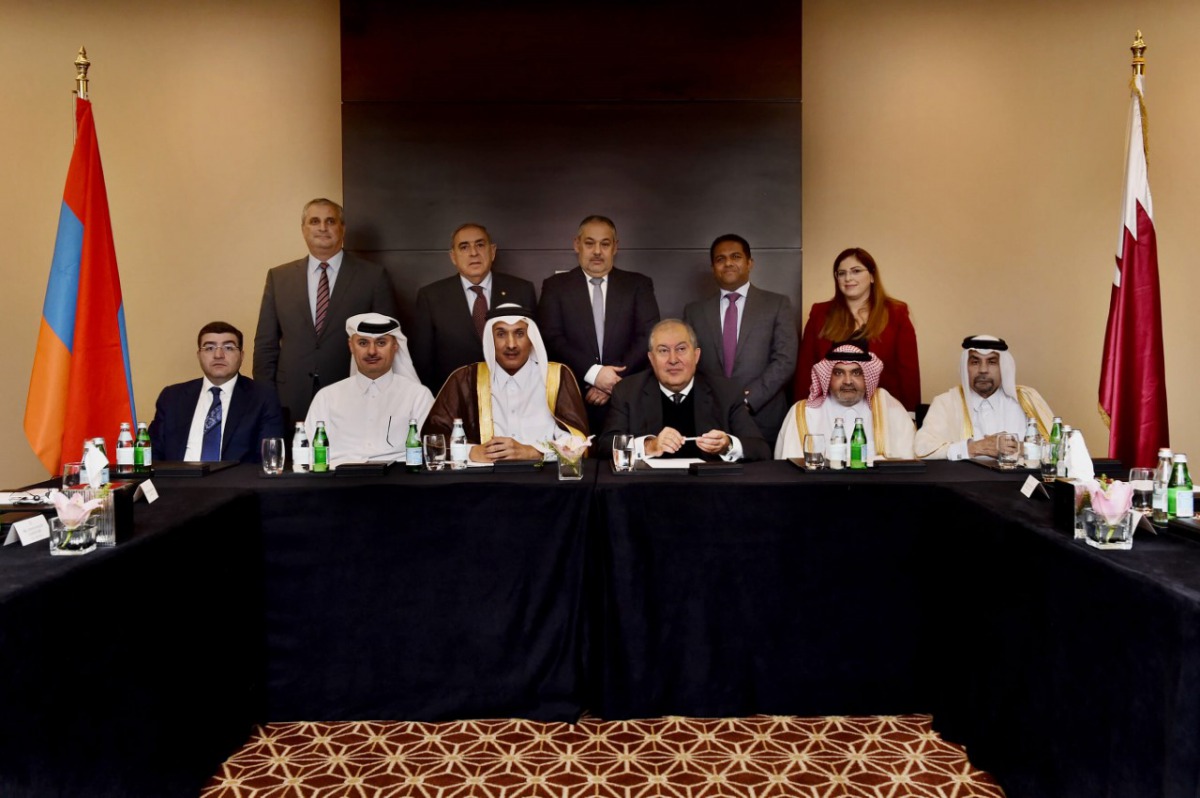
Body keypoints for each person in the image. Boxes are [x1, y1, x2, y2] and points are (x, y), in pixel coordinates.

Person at [254, 198, 399, 426]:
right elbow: (266, 344)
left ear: (343, 229)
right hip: (290, 397)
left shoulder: (372, 276)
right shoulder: (279, 277)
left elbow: (386, 343)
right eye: (314, 221)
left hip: (353, 394)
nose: (322, 228)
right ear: (303, 229)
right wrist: (266, 397)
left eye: (330, 221)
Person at [538, 215, 660, 435]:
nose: (597, 251)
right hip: (573, 399)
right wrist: (594, 374)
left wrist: (612, 381)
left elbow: (649, 337)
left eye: (605, 244)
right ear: (577, 244)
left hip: (627, 399)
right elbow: (551, 338)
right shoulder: (555, 287)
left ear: (615, 247)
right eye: (589, 243)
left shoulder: (638, 285)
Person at [422, 305, 588, 462]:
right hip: (484, 479)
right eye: (501, 334)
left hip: (544, 478)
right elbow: (432, 440)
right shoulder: (464, 379)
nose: (511, 344)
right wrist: (471, 451)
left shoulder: (556, 376)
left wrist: (533, 452)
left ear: (531, 339)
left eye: (519, 333)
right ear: (490, 340)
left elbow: (578, 442)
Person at [599, 319, 770, 462]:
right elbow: (606, 446)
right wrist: (649, 446)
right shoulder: (628, 391)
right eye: (663, 351)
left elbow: (760, 449)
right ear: (651, 359)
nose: (673, 360)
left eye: (681, 349)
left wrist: (727, 445)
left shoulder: (726, 391)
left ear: (696, 355)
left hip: (709, 487)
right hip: (648, 487)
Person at [684, 234, 797, 447]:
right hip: (711, 418)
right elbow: (689, 363)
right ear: (713, 268)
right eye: (720, 259)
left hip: (762, 415)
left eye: (735, 256)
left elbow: (785, 360)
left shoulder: (777, 304)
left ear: (749, 263)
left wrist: (749, 399)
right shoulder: (694, 312)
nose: (728, 263)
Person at [411, 223, 538, 393]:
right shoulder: (431, 297)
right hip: (455, 396)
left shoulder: (521, 290)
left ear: (492, 251)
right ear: (453, 257)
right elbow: (423, 361)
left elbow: (534, 350)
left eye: (480, 245)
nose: (473, 253)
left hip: (512, 394)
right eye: (464, 247)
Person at [793, 247, 921, 411]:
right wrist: (801, 410)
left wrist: (910, 414)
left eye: (856, 271)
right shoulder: (820, 312)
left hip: (882, 409)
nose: (848, 278)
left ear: (872, 276)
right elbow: (805, 370)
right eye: (842, 273)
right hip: (828, 410)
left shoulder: (896, 313)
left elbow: (908, 372)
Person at [304, 313, 434, 468]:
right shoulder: (327, 397)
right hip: (339, 479)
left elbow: (430, 451)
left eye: (381, 343)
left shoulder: (418, 396)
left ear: (395, 346)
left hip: (399, 478)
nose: (372, 351)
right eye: (363, 343)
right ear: (351, 346)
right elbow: (309, 454)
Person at [149, 322, 285, 462]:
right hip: (177, 475)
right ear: (199, 355)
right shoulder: (172, 397)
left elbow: (269, 459)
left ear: (241, 355)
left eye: (228, 348)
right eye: (209, 348)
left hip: (237, 476)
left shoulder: (263, 397)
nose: (218, 355)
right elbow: (151, 453)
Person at [914, 335, 1054, 460]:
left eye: (992, 362)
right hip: (963, 481)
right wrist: (974, 448)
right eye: (975, 362)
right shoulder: (945, 402)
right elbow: (921, 450)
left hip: (1018, 481)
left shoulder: (1026, 399)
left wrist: (1021, 449)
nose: (983, 370)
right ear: (965, 367)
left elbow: (1059, 449)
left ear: (1003, 367)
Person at [775, 341, 915, 460]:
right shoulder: (804, 414)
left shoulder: (888, 408)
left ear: (867, 376)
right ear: (828, 377)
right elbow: (790, 471)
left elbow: (906, 467)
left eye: (856, 373)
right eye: (838, 373)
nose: (848, 381)